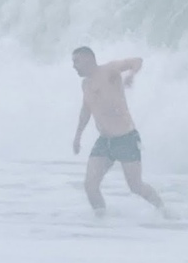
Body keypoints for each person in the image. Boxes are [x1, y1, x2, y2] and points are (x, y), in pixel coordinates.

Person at [71, 46, 167, 217]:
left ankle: (164, 210)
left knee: (135, 186)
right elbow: (86, 110)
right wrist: (78, 135)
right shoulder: (85, 84)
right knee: (90, 186)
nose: (74, 66)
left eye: (76, 61)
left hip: (126, 139)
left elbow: (137, 61)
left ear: (88, 59)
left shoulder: (108, 70)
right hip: (104, 141)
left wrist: (131, 75)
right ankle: (101, 220)